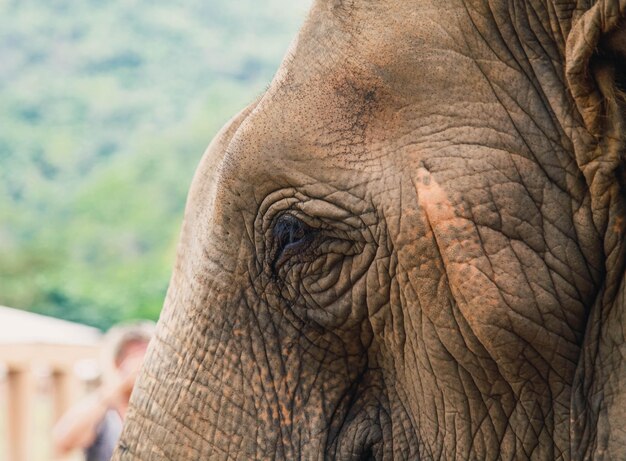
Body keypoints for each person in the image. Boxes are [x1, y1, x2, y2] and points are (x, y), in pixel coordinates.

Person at [52, 321, 155, 461]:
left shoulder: (156, 407)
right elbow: (63, 443)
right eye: (133, 357)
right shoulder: (102, 406)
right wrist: (120, 385)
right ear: (117, 362)